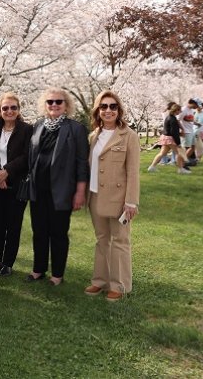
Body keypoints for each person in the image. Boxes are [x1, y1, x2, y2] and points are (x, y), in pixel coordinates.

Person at [26, 87, 89, 286]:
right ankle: (38, 270)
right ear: (45, 105)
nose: (54, 105)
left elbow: (81, 162)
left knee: (59, 233)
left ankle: (57, 275)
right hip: (39, 190)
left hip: (62, 191)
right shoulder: (37, 126)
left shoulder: (76, 129)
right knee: (39, 231)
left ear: (66, 105)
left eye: (58, 102)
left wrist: (80, 191)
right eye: (50, 102)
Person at [84, 90, 140, 302]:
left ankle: (119, 284)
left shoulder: (129, 136)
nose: (108, 110)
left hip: (119, 198)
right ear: (98, 110)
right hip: (96, 195)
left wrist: (131, 201)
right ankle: (100, 281)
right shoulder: (93, 136)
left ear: (119, 110)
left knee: (120, 241)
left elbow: (133, 171)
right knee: (102, 240)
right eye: (104, 106)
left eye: (113, 106)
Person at [0, 94, 32, 277]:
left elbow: (26, 157)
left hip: (16, 186)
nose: (9, 111)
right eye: (5, 108)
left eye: (13, 108)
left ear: (18, 110)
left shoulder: (27, 130)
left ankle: (8, 263)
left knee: (13, 225)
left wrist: (7, 172)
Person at [147, 103, 191, 174]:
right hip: (170, 138)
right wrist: (178, 143)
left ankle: (152, 167)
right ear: (176, 110)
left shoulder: (169, 117)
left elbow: (169, 130)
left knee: (162, 153)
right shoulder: (172, 119)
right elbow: (174, 132)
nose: (180, 112)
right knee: (179, 153)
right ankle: (180, 169)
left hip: (165, 137)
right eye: (179, 111)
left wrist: (179, 133)